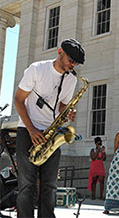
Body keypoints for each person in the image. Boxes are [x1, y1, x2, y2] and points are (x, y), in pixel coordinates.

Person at [14, 38, 85, 218]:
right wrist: (31, 129)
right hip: (28, 131)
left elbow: (62, 105)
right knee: (27, 185)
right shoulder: (37, 69)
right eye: (71, 60)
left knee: (50, 186)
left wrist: (67, 112)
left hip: (51, 135)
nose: (73, 65)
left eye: (76, 63)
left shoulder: (70, 79)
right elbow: (19, 100)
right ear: (60, 52)